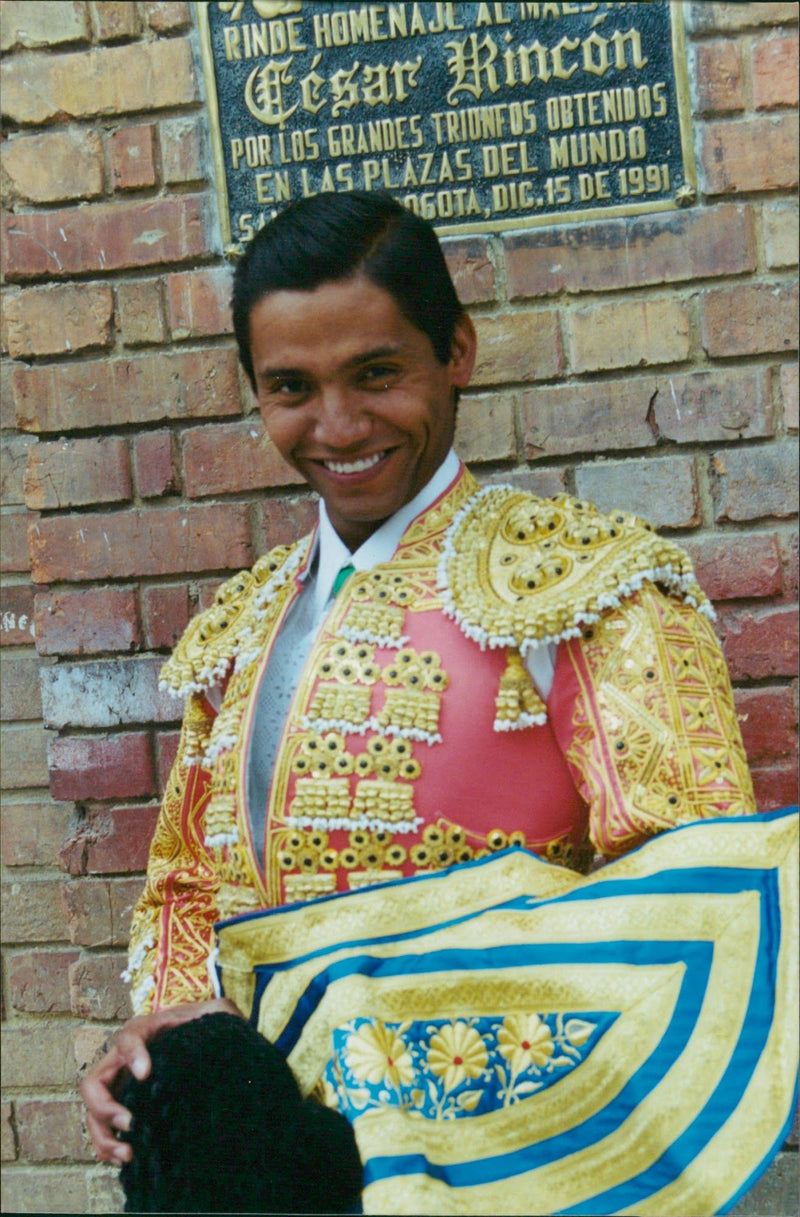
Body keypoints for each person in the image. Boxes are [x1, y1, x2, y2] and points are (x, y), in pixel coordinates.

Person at [81, 191, 756, 1168]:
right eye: (291, 388)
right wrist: (171, 1038)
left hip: (502, 1145)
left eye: (376, 373)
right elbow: (185, 881)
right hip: (262, 1157)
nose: (338, 423)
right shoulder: (239, 622)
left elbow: (692, 893)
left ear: (456, 353)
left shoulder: (586, 580)